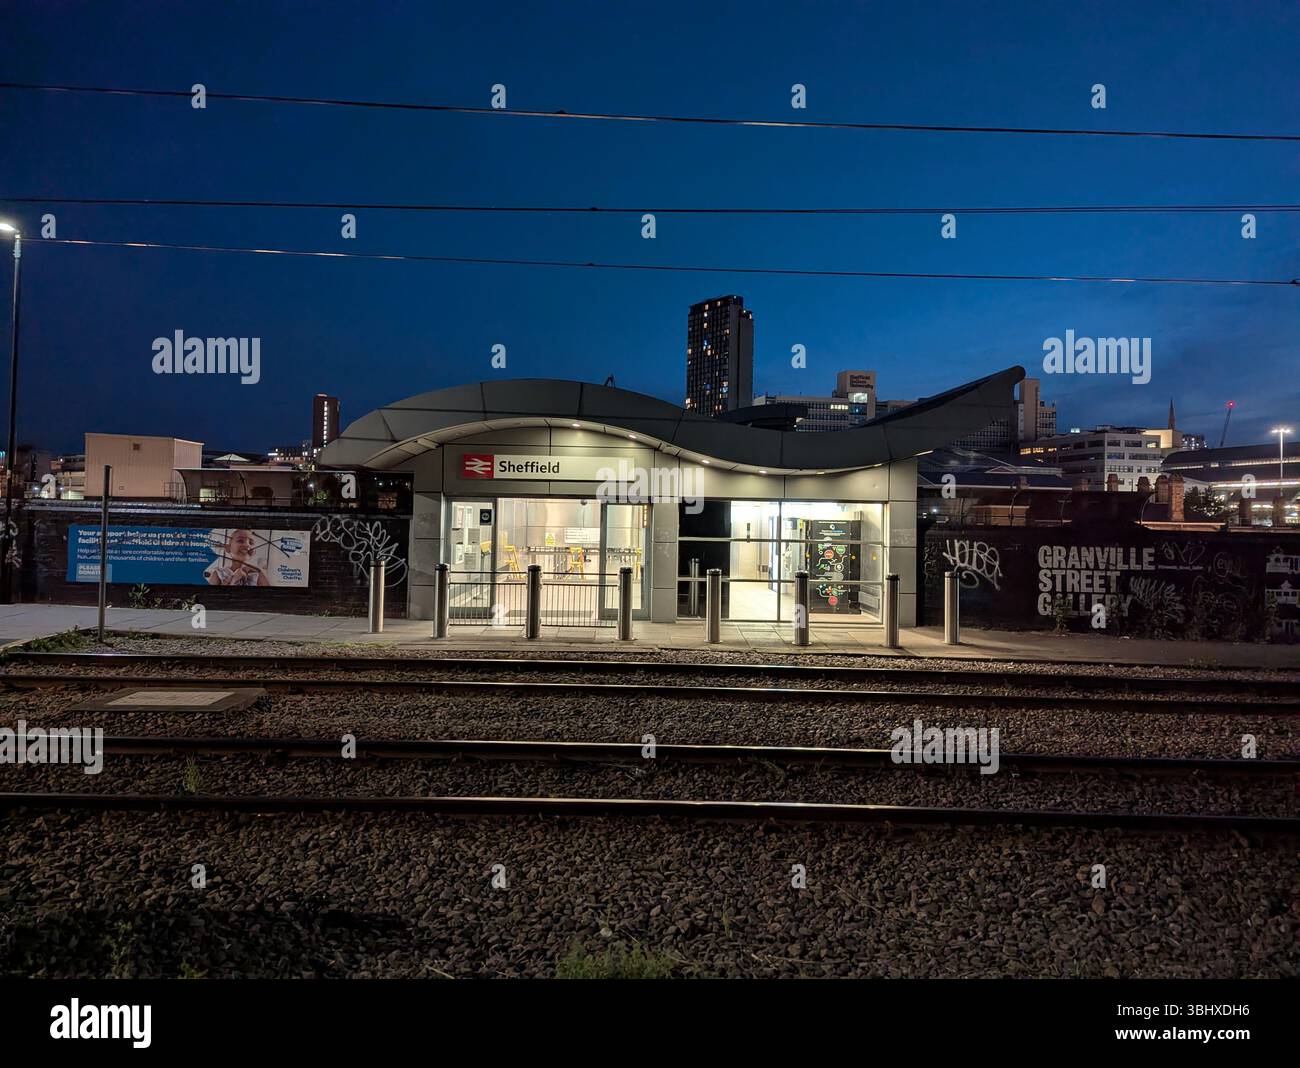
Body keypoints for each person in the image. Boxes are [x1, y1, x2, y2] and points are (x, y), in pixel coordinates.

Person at [204, 529, 270, 586]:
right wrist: (233, 579)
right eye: (240, 541)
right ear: (228, 548)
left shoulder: (257, 574)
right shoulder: (219, 573)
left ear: (254, 552)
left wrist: (260, 571)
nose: (247, 545)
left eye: (251, 542)